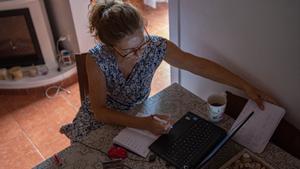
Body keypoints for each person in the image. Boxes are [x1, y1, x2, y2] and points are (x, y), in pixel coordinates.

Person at [60, 1, 276, 142]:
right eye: (129, 51)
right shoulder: (96, 58)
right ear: (110, 46)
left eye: (142, 44)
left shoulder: (156, 47)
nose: (139, 54)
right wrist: (144, 123)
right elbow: (99, 111)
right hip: (100, 121)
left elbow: (199, 65)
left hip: (136, 115)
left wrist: (245, 85)